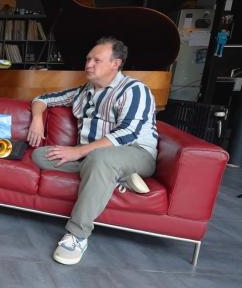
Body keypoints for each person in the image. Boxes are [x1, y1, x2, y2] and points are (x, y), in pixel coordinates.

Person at [27, 37, 157, 265]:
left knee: (100, 159)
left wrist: (77, 152)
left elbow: (128, 132)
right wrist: (37, 118)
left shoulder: (135, 90)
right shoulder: (83, 92)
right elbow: (43, 99)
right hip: (92, 156)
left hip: (136, 152)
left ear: (116, 63)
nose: (88, 64)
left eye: (97, 60)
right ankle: (120, 177)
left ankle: (77, 235)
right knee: (40, 155)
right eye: (88, 59)